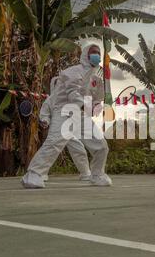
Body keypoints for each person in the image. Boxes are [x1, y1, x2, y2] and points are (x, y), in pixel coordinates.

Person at [21, 44, 112, 188]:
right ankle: (34, 174)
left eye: (98, 53)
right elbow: (73, 94)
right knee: (55, 142)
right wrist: (87, 106)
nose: (97, 56)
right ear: (85, 55)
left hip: (81, 115)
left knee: (101, 146)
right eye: (93, 52)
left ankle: (97, 175)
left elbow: (96, 99)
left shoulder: (97, 79)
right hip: (64, 111)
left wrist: (98, 105)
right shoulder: (73, 72)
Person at [38, 77, 91, 182]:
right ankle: (40, 173)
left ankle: (85, 172)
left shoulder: (69, 98)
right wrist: (45, 121)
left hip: (68, 130)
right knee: (50, 150)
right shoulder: (50, 100)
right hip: (55, 131)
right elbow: (44, 113)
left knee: (78, 148)